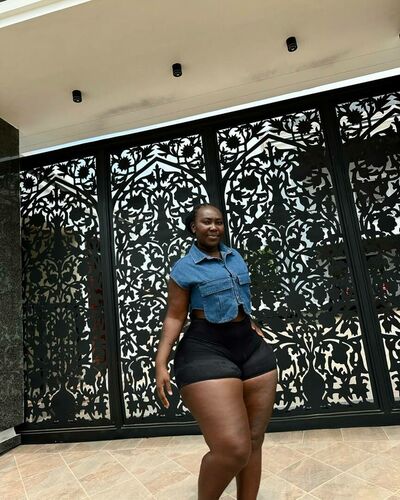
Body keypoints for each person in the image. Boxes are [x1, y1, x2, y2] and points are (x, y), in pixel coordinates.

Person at [155, 203, 277, 500]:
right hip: (206, 350)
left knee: (254, 440)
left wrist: (251, 322)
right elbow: (175, 316)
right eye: (207, 222)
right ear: (193, 227)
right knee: (233, 449)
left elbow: (239, 299)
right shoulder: (184, 268)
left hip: (250, 349)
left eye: (219, 222)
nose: (214, 227)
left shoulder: (235, 257)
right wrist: (161, 362)